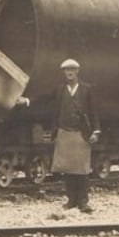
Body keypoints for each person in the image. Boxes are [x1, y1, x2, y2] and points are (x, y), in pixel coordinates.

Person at [48, 59, 101, 213]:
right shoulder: (60, 89)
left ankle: (83, 201)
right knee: (68, 169)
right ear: (64, 72)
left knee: (82, 169)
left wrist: (96, 131)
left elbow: (93, 112)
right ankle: (71, 200)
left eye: (72, 69)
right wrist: (27, 101)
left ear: (77, 71)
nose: (69, 73)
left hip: (81, 133)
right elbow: (46, 100)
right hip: (64, 132)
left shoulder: (86, 89)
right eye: (66, 70)